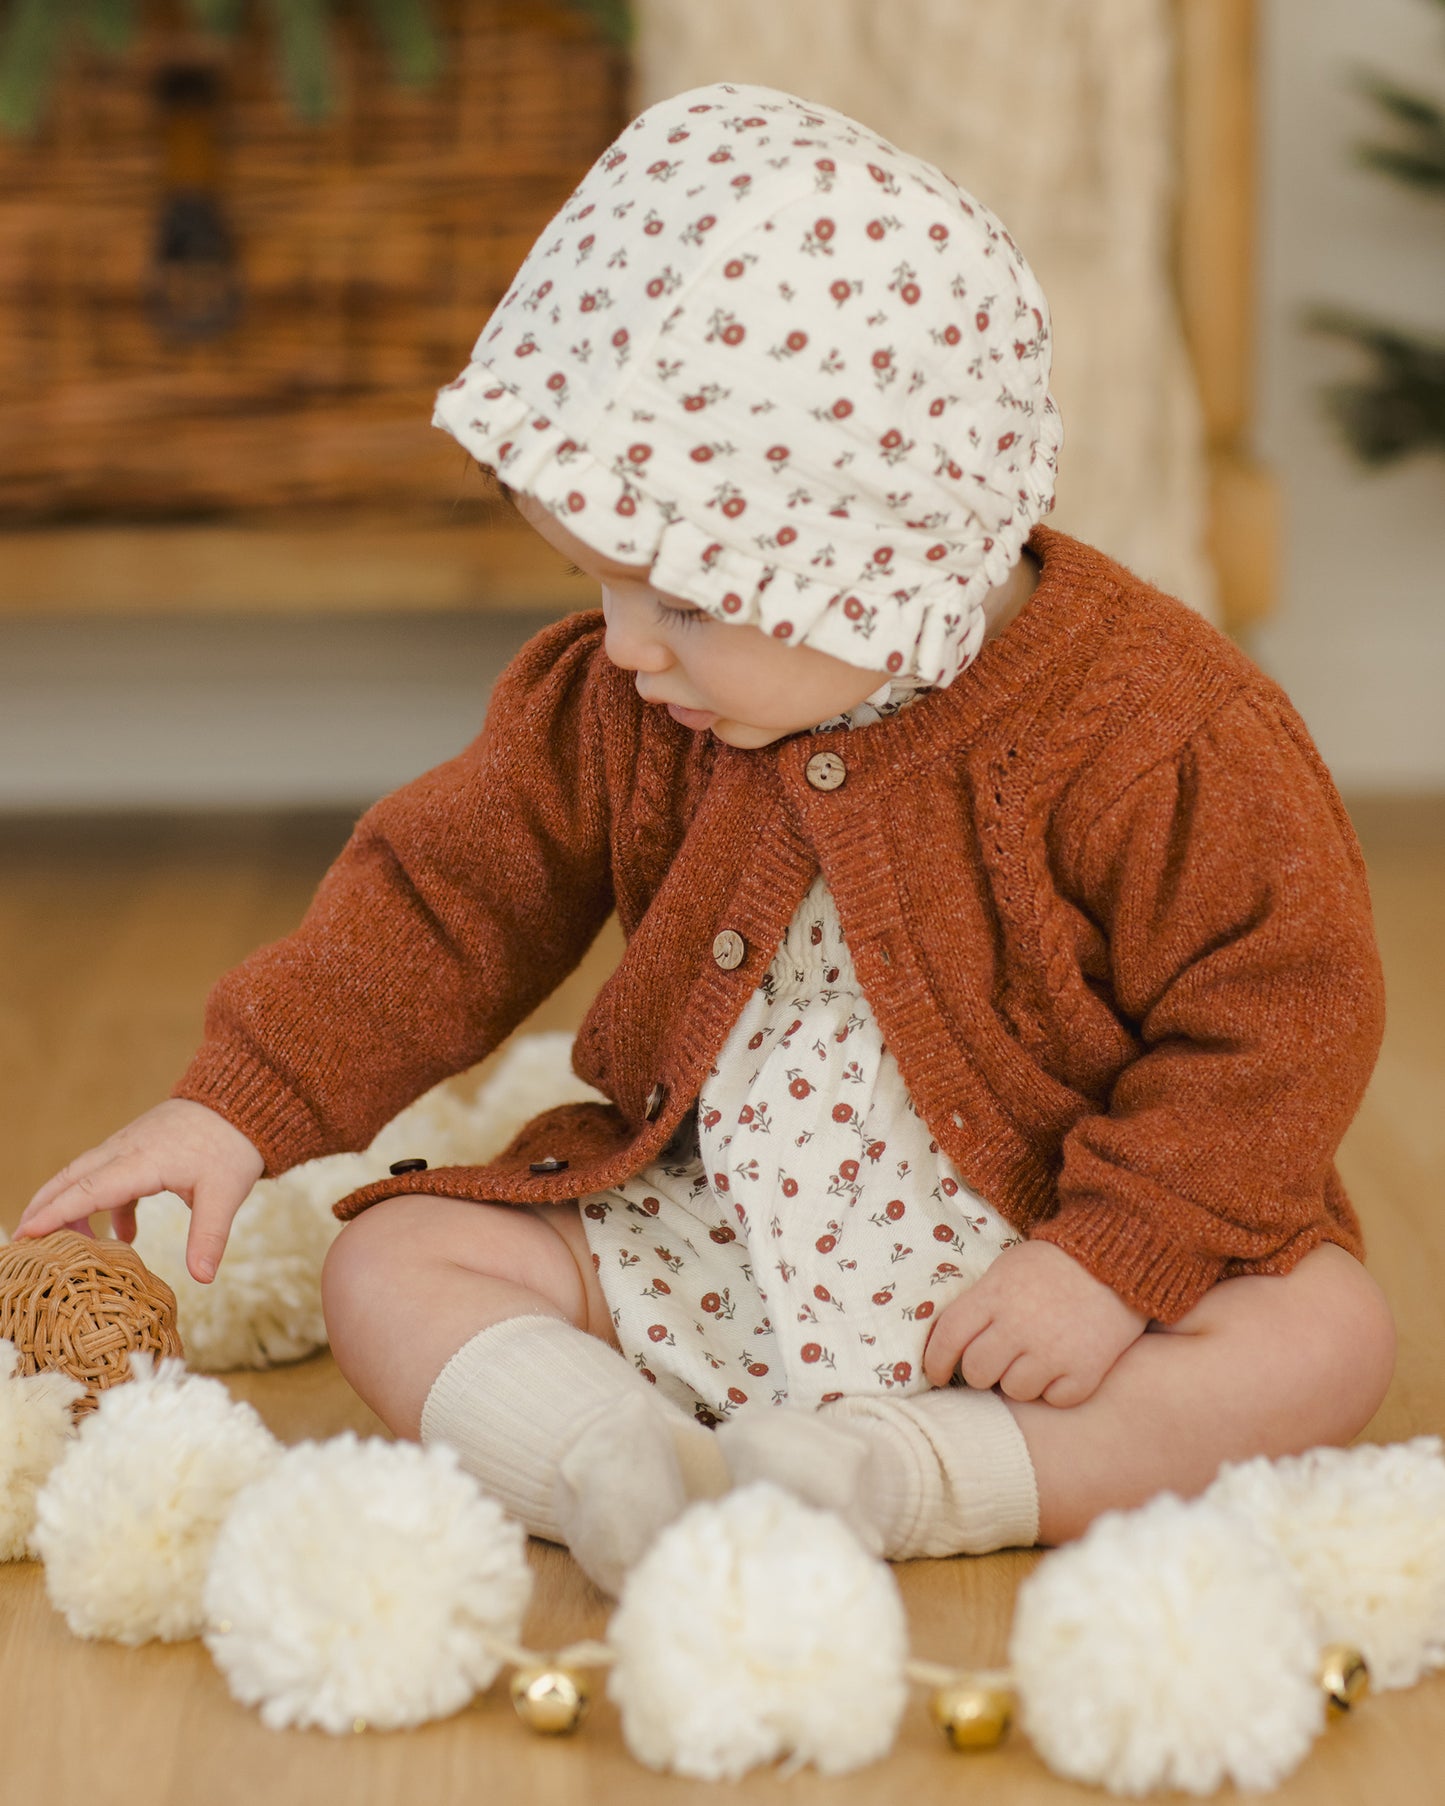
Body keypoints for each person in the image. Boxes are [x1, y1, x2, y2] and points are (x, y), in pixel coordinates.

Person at [18, 83, 1395, 1595]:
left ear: (874, 563)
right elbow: (440, 900)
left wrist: (1109, 1252)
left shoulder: (1156, 732)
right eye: (601, 582)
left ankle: (910, 1471)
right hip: (706, 1219)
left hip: (1046, 1255)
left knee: (1324, 1336)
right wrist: (243, 1103)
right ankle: (612, 1458)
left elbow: (1281, 1009)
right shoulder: (625, 705)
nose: (623, 647)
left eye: (681, 600)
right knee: (389, 1260)